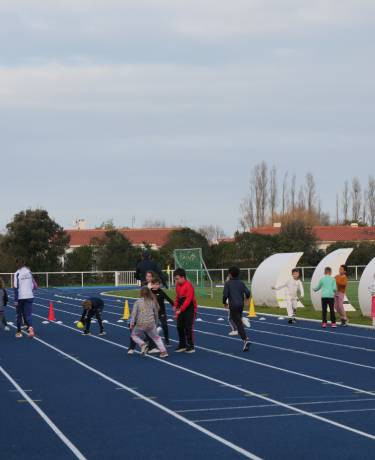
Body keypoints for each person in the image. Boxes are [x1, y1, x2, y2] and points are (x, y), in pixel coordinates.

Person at [130, 287, 168, 358]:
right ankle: (164, 352)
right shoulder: (152, 302)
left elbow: (133, 313)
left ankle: (143, 344)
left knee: (134, 335)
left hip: (141, 323)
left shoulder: (137, 302)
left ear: (141, 293)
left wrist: (132, 323)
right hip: (151, 323)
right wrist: (156, 323)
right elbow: (156, 313)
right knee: (157, 338)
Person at [223, 267, 251, 352]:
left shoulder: (228, 283)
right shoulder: (241, 283)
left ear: (230, 274)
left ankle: (245, 339)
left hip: (233, 305)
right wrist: (247, 299)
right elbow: (248, 292)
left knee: (238, 323)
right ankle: (242, 320)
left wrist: (224, 303)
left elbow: (225, 295)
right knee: (237, 319)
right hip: (240, 305)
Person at [174, 268, 197, 353]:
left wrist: (181, 309)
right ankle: (182, 345)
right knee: (179, 326)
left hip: (189, 308)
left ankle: (191, 346)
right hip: (181, 307)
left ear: (183, 277)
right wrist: (176, 305)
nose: (176, 280)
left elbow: (188, 300)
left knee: (188, 327)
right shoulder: (177, 286)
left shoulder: (189, 285)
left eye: (177, 278)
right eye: (175, 279)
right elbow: (177, 297)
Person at [14, 259, 37, 338]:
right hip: (29, 296)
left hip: (20, 297)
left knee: (19, 314)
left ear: (17, 264)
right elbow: (33, 286)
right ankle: (30, 328)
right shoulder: (29, 272)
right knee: (28, 315)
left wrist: (16, 300)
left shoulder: (17, 273)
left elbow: (15, 287)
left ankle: (19, 332)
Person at [151, 278, 174, 346]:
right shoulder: (149, 292)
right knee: (151, 328)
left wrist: (174, 305)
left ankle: (167, 341)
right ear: (152, 285)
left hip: (161, 312)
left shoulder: (161, 292)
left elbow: (168, 299)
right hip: (152, 313)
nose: (156, 286)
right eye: (154, 284)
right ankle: (150, 341)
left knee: (164, 326)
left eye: (157, 284)